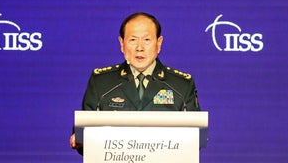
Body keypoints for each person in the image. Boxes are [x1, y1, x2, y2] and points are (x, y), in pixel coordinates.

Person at [70, 12, 201, 150]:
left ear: (159, 43)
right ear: (122, 43)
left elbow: (196, 138)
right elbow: (83, 133)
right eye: (133, 40)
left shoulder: (181, 85)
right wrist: (79, 139)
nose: (140, 48)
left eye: (146, 40)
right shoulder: (101, 82)